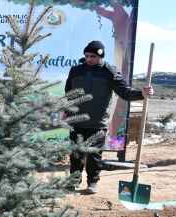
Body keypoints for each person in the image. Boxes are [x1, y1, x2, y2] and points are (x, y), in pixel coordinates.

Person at [64, 40, 154, 194]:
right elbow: (68, 93)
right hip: (76, 120)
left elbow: (125, 92)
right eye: (86, 56)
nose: (89, 59)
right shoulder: (76, 70)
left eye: (92, 56)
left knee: (94, 156)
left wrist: (142, 94)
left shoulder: (110, 72)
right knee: (76, 155)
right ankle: (73, 181)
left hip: (97, 122)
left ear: (100, 56)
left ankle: (92, 183)